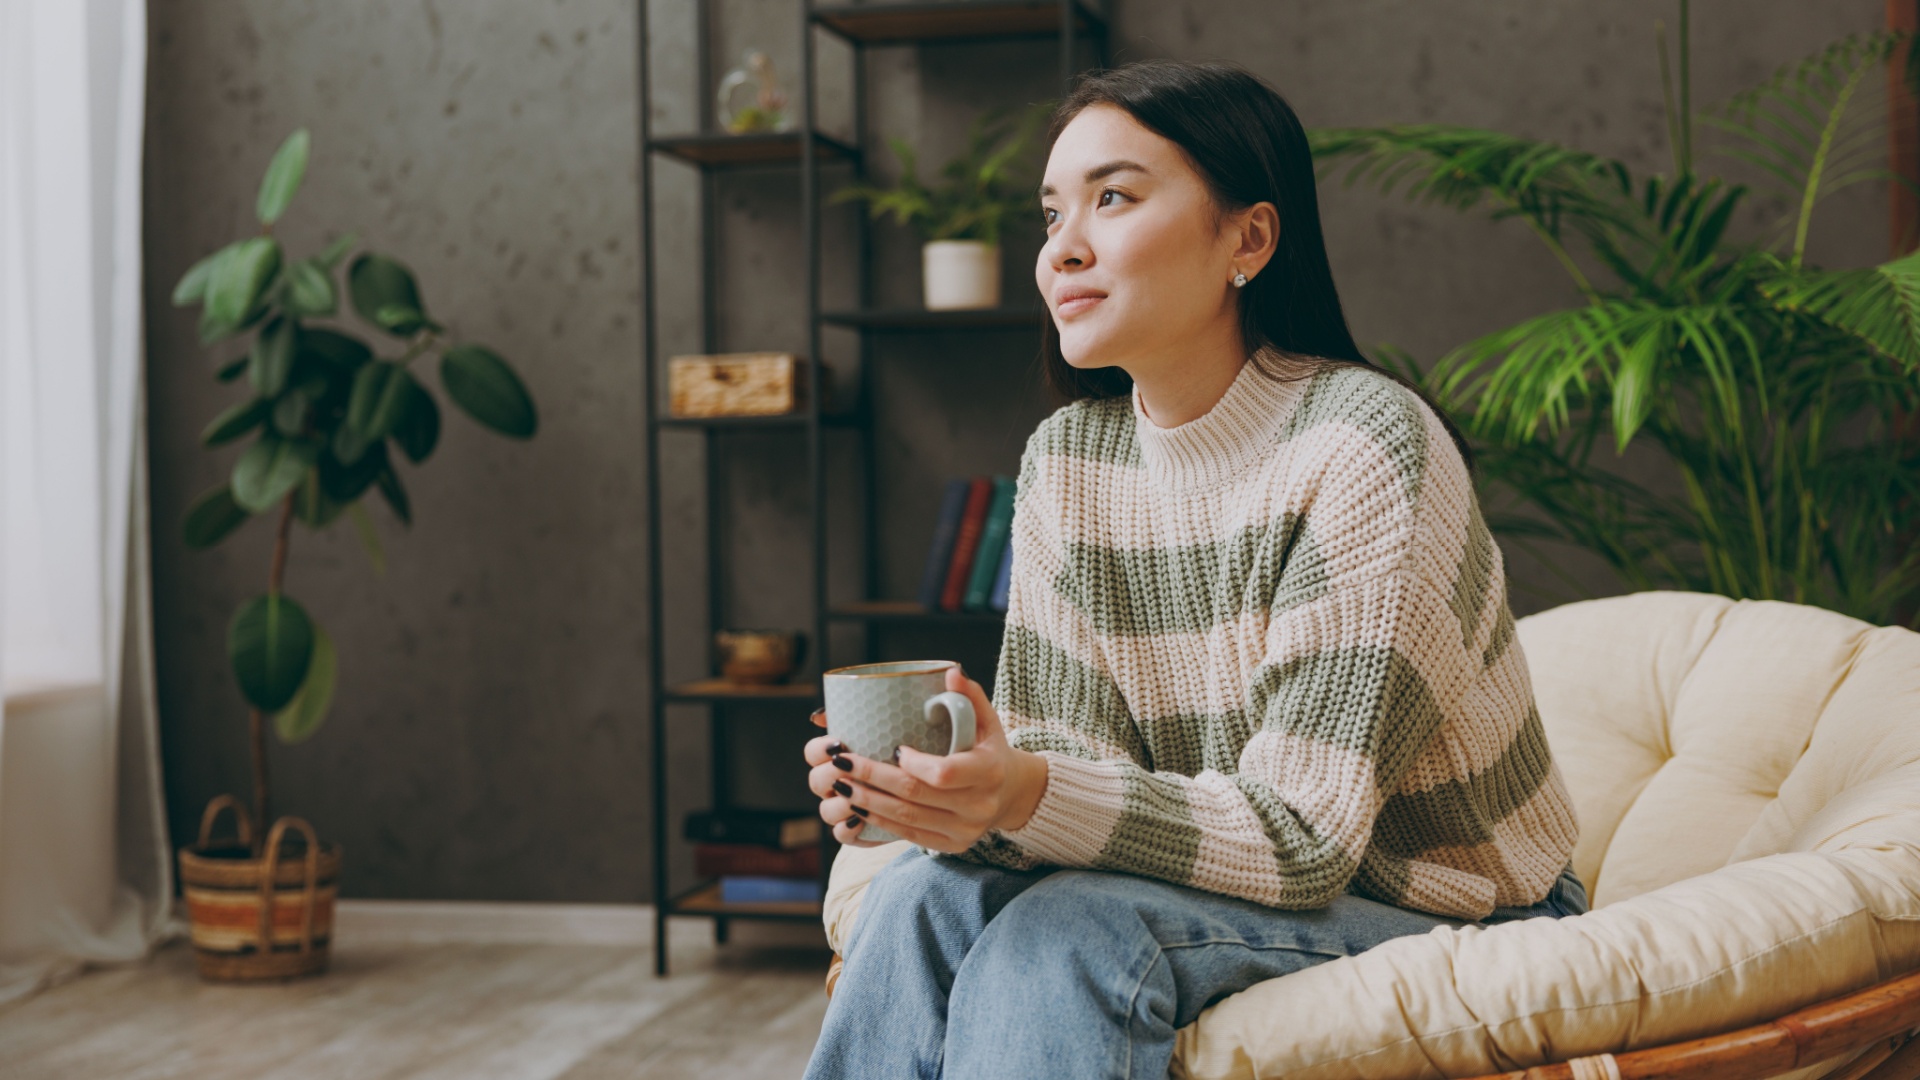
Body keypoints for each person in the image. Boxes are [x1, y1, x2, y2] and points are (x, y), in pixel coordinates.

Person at [800, 58, 1585, 1080]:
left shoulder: (1362, 451)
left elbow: (1307, 836)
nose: (1062, 250)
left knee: (1069, 937)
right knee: (913, 899)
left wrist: (1025, 792)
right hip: (1217, 878)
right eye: (1050, 215)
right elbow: (1066, 767)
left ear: (1248, 238)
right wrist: (956, 806)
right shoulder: (1070, 463)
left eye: (1113, 198)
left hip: (1455, 901)